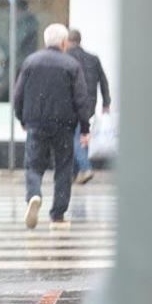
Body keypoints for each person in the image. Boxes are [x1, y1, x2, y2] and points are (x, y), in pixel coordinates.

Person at [14, 23, 91, 229]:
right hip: (64, 126)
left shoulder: (30, 62)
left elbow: (18, 93)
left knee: (33, 165)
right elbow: (81, 99)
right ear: (64, 43)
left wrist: (21, 118)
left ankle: (34, 194)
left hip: (36, 123)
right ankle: (57, 215)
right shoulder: (71, 65)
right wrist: (84, 129)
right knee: (64, 168)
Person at [66, 29, 111, 184]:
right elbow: (103, 81)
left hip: (71, 105)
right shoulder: (93, 59)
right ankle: (75, 174)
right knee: (82, 135)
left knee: (74, 139)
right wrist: (106, 103)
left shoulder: (66, 58)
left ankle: (85, 168)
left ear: (68, 41)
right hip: (89, 105)